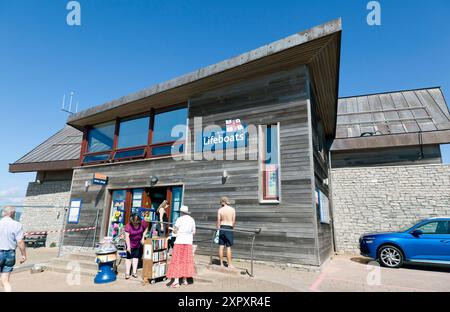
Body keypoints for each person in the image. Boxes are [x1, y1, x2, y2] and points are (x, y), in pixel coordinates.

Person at [166, 205, 196, 288]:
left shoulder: (179, 219)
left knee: (177, 260)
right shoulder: (192, 220)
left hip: (179, 241)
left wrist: (173, 230)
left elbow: (175, 230)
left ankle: (176, 281)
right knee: (186, 260)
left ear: (181, 212)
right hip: (188, 242)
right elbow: (194, 232)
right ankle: (185, 280)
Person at [0, 206, 26, 292]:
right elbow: (20, 242)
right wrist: (23, 255)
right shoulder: (17, 224)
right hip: (10, 254)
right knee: (5, 281)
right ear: (11, 213)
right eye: (14, 213)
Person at [124, 214, 148, 279]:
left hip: (138, 243)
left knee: (136, 257)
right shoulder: (128, 226)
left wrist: (143, 237)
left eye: (136, 223)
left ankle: (134, 272)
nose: (135, 224)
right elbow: (127, 237)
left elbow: (146, 228)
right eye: (134, 223)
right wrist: (128, 247)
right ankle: (127, 273)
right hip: (130, 243)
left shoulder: (142, 223)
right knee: (129, 258)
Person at [217, 197, 236, 268]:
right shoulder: (232, 209)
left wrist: (218, 229)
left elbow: (218, 221)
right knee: (228, 247)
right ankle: (229, 264)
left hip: (222, 227)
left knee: (221, 246)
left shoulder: (220, 210)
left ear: (222, 202)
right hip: (229, 227)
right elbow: (233, 221)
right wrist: (232, 228)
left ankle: (221, 264)